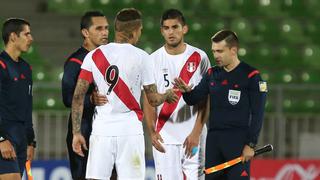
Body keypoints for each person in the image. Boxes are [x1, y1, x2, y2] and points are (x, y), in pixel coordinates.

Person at [71, 8, 178, 180]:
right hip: (130, 132)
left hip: (102, 131)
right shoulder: (143, 57)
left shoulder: (93, 56)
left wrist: (76, 133)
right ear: (135, 31)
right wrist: (167, 95)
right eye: (140, 30)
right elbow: (153, 99)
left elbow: (77, 97)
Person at [174, 30, 267, 180]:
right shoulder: (212, 74)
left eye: (220, 51)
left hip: (237, 143)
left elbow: (258, 113)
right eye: (213, 51)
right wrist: (186, 91)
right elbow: (194, 99)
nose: (216, 55)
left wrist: (251, 144)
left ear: (233, 50)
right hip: (214, 143)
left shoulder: (251, 76)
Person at [143, 9, 211, 180]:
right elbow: (148, 99)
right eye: (166, 28)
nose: (171, 32)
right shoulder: (152, 60)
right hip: (165, 137)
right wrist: (152, 131)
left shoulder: (200, 57)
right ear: (161, 31)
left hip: (193, 137)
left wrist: (197, 132)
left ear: (184, 29)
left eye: (175, 27)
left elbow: (206, 98)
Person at [61, 11, 115, 180]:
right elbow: (67, 98)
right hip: (84, 131)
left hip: (108, 131)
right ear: (85, 32)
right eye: (99, 28)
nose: (105, 32)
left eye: (106, 28)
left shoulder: (110, 58)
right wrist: (90, 100)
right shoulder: (75, 62)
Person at [0, 18, 36, 180]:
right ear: (13, 36)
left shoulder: (26, 68)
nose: (31, 38)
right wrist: (1, 139)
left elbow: (28, 105)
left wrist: (31, 141)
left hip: (21, 138)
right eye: (26, 34)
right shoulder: (1, 65)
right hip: (5, 134)